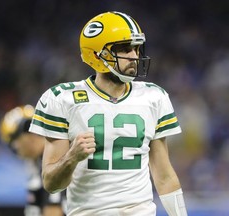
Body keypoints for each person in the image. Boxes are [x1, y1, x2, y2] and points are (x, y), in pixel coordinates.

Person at [29, 11, 188, 216]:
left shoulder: (154, 97)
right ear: (96, 54)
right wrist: (72, 157)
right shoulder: (61, 99)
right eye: (124, 49)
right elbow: (51, 184)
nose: (133, 56)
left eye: (136, 48)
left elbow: (164, 176)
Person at [0, 105, 66, 216]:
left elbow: (54, 211)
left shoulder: (53, 161)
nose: (15, 147)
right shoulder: (37, 163)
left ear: (30, 131)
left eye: (14, 140)